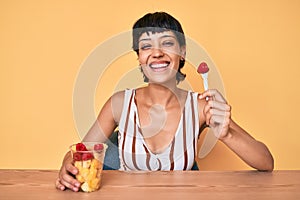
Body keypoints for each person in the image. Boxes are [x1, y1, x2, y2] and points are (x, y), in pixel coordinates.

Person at [55, 12, 274, 191]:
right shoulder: (119, 104)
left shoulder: (200, 107)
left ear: (183, 53)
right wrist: (68, 165)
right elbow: (82, 152)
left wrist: (226, 134)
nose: (157, 53)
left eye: (167, 43)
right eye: (146, 46)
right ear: (139, 58)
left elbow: (266, 163)